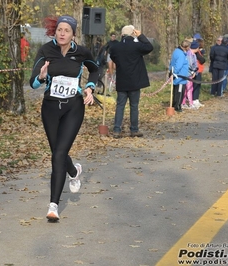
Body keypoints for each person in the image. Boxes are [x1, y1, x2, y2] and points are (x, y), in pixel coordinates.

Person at [29, 15, 99, 221]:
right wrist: (41, 77)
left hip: (73, 108)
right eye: (59, 29)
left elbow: (94, 69)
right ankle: (73, 170)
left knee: (58, 154)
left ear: (73, 34)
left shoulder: (82, 52)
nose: (62, 33)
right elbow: (33, 82)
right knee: (57, 151)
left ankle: (53, 206)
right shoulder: (45, 51)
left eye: (67, 30)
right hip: (50, 108)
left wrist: (89, 87)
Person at [109, 25, 153, 138]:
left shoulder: (115, 47)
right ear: (132, 34)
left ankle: (117, 129)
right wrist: (140, 35)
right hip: (134, 81)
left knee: (120, 106)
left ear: (122, 34)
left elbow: (113, 58)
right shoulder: (136, 46)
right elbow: (149, 47)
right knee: (134, 106)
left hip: (122, 80)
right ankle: (134, 129)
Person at [169, 39, 190, 112]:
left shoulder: (176, 51)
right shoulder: (181, 54)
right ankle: (177, 106)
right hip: (180, 77)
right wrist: (174, 73)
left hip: (178, 76)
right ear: (186, 47)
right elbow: (178, 65)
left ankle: (175, 104)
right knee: (179, 92)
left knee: (175, 91)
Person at [182, 40, 199, 109]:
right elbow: (189, 65)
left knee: (186, 89)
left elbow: (195, 65)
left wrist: (195, 71)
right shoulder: (189, 55)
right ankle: (190, 103)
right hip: (187, 74)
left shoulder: (193, 55)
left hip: (190, 73)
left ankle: (183, 103)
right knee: (189, 89)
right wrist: (192, 72)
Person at [192, 34, 206, 108]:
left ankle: (196, 99)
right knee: (195, 85)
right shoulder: (196, 52)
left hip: (199, 70)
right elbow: (202, 60)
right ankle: (194, 99)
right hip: (196, 70)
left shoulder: (199, 51)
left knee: (198, 85)